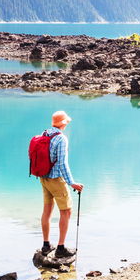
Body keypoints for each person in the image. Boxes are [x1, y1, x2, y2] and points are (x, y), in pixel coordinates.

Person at [40, 110, 84, 257]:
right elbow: (62, 163)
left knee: (47, 209)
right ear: (63, 123)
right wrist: (72, 183)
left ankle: (46, 245)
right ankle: (60, 248)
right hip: (56, 179)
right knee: (66, 211)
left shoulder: (45, 133)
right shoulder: (61, 139)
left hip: (43, 177)